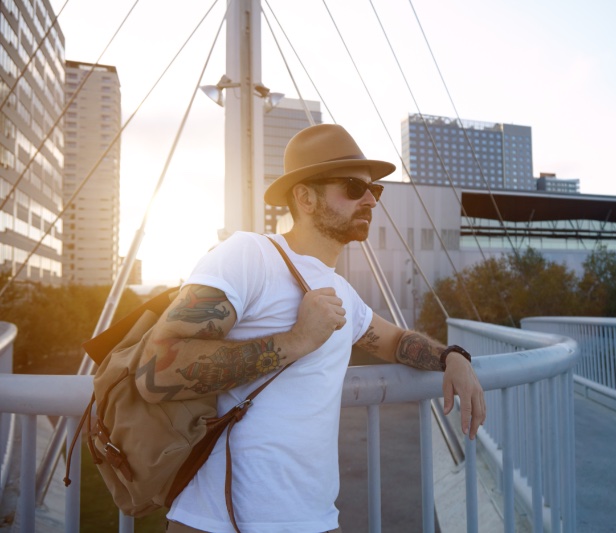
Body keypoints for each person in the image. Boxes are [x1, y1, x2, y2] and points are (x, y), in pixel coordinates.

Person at [138, 124, 486, 533]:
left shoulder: (341, 291)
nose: (371, 199)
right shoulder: (248, 255)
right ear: (304, 196)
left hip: (313, 520)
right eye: (354, 187)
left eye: (376, 190)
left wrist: (452, 358)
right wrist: (295, 341)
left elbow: (394, 342)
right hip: (217, 520)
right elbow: (156, 369)